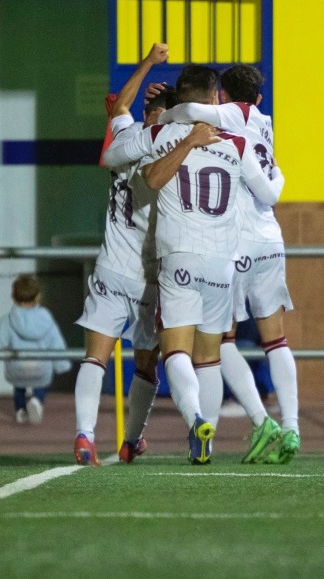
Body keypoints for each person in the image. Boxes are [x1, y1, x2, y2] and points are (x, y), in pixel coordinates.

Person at [103, 64, 285, 465]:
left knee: (176, 353)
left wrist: (159, 118)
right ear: (216, 95)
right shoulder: (235, 139)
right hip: (222, 263)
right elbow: (267, 191)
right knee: (211, 356)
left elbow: (114, 156)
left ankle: (197, 422)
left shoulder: (164, 132)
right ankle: (210, 440)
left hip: (181, 255)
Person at [74, 42, 219, 466]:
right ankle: (131, 439)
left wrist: (148, 62)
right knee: (147, 364)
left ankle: (84, 436)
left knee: (94, 358)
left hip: (110, 268)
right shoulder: (178, 151)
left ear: (147, 114)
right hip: (152, 278)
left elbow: (120, 104)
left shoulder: (128, 138)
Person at [157, 64, 298, 463]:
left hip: (233, 244)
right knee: (276, 340)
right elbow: (271, 192)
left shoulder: (232, 117)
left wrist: (164, 114)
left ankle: (232, 427)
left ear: (224, 96)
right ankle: (290, 425)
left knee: (217, 346)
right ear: (259, 96)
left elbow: (190, 112)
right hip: (271, 240)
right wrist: (282, 175)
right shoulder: (265, 123)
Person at [0, 274, 69, 424]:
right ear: (38, 297)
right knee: (43, 380)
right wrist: (62, 365)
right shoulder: (46, 319)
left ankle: (20, 410)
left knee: (19, 385)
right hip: (40, 367)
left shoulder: (7, 320)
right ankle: (37, 400)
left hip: (17, 367)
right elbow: (56, 342)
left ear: (13, 296)